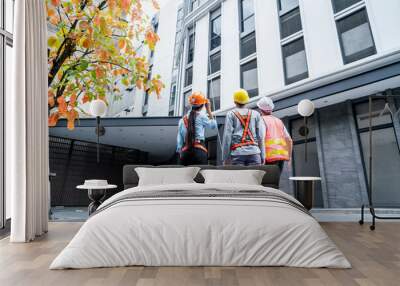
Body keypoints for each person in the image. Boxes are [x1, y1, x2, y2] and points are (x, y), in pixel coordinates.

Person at [222, 89, 265, 166]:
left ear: (235, 101)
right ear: (247, 100)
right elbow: (261, 136)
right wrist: (263, 156)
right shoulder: (256, 114)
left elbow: (227, 137)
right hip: (254, 153)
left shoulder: (231, 114)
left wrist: (225, 158)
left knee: (240, 178)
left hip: (237, 154)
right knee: (254, 178)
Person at [177, 92, 217, 165]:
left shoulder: (181, 120)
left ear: (190, 104)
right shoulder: (202, 116)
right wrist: (209, 110)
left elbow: (179, 143)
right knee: (200, 175)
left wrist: (181, 153)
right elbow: (213, 126)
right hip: (199, 151)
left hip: (185, 153)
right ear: (202, 106)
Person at [257, 96, 292, 171]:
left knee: (267, 181)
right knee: (275, 181)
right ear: (271, 109)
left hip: (268, 158)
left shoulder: (261, 120)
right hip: (281, 157)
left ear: (260, 110)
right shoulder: (279, 121)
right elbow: (289, 140)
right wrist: (289, 157)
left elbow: (261, 139)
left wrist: (262, 158)